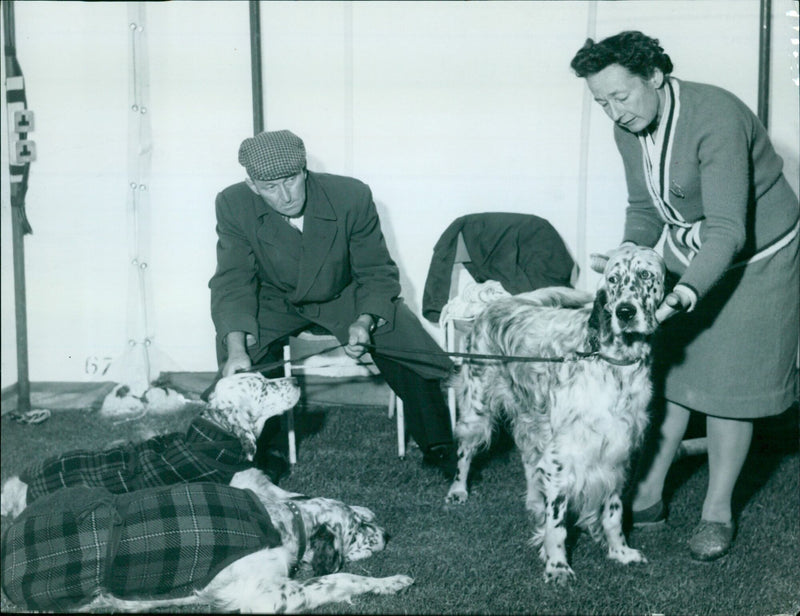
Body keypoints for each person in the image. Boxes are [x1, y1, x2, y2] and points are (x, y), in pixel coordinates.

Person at [570, 31, 799, 561]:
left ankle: (717, 510)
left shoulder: (715, 117)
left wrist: (683, 295)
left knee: (728, 387)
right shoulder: (629, 127)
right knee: (673, 372)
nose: (612, 111)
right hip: (695, 244)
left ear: (654, 75)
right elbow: (645, 209)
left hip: (758, 256)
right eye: (600, 102)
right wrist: (628, 256)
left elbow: (726, 230)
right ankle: (649, 493)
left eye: (619, 97)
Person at [208, 129, 457, 482]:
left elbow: (376, 271)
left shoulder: (351, 195)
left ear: (305, 169)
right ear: (251, 185)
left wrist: (366, 321)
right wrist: (236, 349)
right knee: (240, 344)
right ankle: (264, 451)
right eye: (270, 187)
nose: (285, 196)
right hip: (275, 300)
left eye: (291, 180)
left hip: (344, 294)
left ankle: (438, 443)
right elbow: (233, 280)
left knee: (399, 329)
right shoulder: (232, 203)